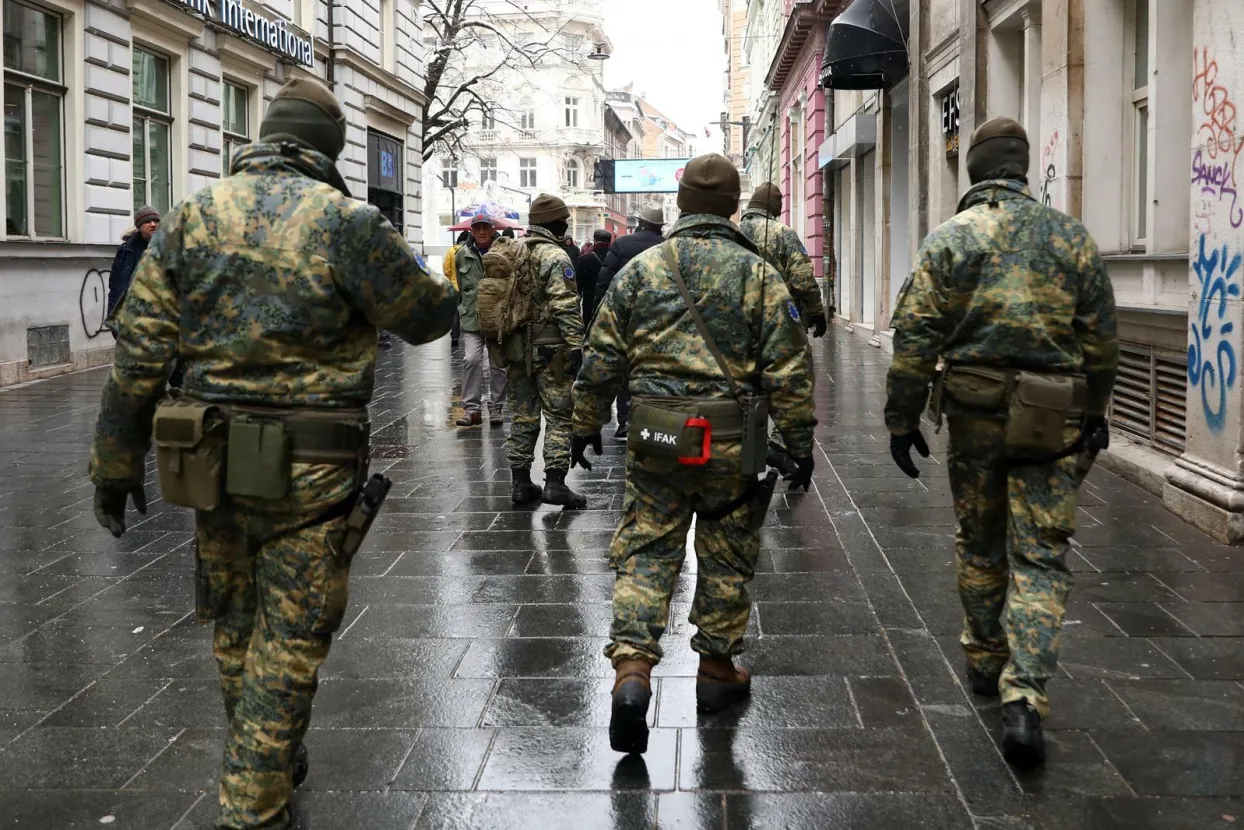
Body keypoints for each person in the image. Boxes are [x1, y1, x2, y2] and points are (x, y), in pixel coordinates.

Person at [88, 77, 456, 829]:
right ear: (329, 148)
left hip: (211, 460)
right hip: (309, 469)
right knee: (290, 639)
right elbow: (425, 319)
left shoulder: (189, 217)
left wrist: (114, 461)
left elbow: (138, 354)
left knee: (234, 620)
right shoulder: (347, 223)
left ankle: (271, 754)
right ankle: (252, 807)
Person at [884, 117, 1118, 768]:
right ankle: (1027, 697)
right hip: (1053, 417)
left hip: (976, 415)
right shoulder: (1071, 239)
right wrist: (1095, 410)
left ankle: (986, 658)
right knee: (1042, 555)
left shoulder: (950, 240)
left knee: (980, 538)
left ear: (974, 170)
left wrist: (901, 421)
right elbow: (1101, 340)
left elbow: (915, 343)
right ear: (1019, 169)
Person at [571, 154, 817, 754]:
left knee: (646, 551)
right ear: (732, 206)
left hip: (656, 439)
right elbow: (790, 371)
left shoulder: (642, 270)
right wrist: (799, 444)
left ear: (681, 205)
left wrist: (582, 423)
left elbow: (600, 358)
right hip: (733, 445)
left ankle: (632, 672)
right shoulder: (759, 275)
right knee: (727, 555)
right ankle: (715, 672)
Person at [503, 194, 587, 509]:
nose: (566, 223)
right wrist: (576, 346)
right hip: (551, 351)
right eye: (563, 219)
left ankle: (521, 483)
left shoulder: (513, 251)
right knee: (559, 415)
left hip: (515, 350)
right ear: (555, 222)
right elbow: (565, 305)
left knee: (523, 416)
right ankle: (554, 484)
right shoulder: (555, 256)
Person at [589, 204, 667, 439]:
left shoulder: (621, 244)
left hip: (625, 318)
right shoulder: (665, 246)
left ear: (640, 222)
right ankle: (650, 420)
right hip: (657, 319)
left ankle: (624, 420)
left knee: (624, 370)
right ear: (658, 226)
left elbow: (605, 281)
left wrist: (597, 314)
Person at [738, 183, 829, 333]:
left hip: (741, 318)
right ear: (774, 208)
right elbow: (802, 278)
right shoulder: (783, 233)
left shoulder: (734, 230)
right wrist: (816, 311)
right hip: (780, 320)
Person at [453, 214, 508, 427]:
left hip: (497, 318)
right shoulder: (462, 254)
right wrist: (463, 308)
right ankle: (472, 410)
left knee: (498, 365)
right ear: (472, 231)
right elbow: (461, 285)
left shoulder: (503, 252)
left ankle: (496, 407)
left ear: (492, 229)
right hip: (472, 317)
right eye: (478, 228)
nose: (482, 232)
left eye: (485, 228)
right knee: (471, 360)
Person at [106, 204, 160, 315]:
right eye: (148, 221)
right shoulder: (126, 251)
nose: (153, 224)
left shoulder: (168, 248)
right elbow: (115, 286)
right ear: (139, 226)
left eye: (156, 221)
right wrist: (113, 316)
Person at [575, 229, 612, 324]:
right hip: (610, 305)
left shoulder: (583, 260)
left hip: (589, 303)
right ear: (609, 242)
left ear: (594, 241)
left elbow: (577, 288)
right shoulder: (615, 259)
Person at [443, 229, 470, 349]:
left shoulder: (450, 251)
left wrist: (452, 279)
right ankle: (470, 335)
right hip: (466, 286)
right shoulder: (468, 250)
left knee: (455, 313)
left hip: (453, 287)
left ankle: (455, 336)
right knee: (467, 311)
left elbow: (446, 269)